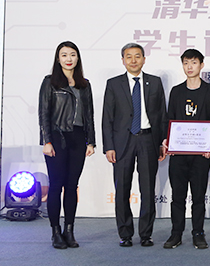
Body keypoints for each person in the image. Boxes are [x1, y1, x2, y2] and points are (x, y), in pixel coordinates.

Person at [102, 43, 167, 247]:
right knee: (122, 189)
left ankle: (146, 234)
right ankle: (125, 234)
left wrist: (162, 141)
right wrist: (108, 146)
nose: (133, 60)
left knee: (148, 189)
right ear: (123, 60)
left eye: (137, 56)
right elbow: (107, 118)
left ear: (144, 59)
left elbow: (162, 115)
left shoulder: (154, 82)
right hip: (123, 142)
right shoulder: (114, 84)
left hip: (148, 140)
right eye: (128, 56)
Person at [162, 49, 210, 250]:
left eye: (194, 62)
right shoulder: (176, 91)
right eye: (186, 63)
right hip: (179, 154)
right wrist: (168, 141)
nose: (189, 67)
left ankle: (198, 233)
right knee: (177, 196)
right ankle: (176, 233)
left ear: (201, 65)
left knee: (198, 196)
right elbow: (169, 119)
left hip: (201, 154)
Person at [39, 41, 96, 249]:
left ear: (78, 58)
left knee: (72, 186)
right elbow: (44, 113)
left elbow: (89, 115)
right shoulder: (50, 82)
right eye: (64, 55)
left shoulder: (84, 84)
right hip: (57, 137)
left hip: (78, 139)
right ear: (58, 58)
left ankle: (69, 231)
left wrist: (91, 141)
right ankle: (55, 232)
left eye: (72, 54)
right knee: (56, 185)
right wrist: (46, 141)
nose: (68, 59)